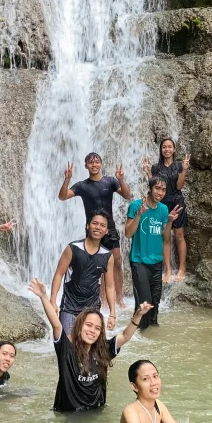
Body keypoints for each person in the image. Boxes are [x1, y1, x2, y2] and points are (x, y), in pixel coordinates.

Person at [27, 278, 152, 412]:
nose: (92, 331)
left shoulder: (103, 351)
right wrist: (44, 296)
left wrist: (138, 315)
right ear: (79, 327)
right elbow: (56, 325)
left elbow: (125, 336)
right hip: (69, 416)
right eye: (89, 325)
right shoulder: (67, 351)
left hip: (97, 413)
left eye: (97, 328)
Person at [58, 152, 132, 308]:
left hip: (109, 227)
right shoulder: (82, 186)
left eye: (97, 161)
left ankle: (119, 297)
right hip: (93, 228)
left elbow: (127, 195)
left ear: (101, 164)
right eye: (90, 162)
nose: (94, 164)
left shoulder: (110, 181)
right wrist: (67, 179)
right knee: (100, 263)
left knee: (116, 261)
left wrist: (121, 180)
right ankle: (103, 299)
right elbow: (63, 197)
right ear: (86, 165)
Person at [126, 177, 182, 329]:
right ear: (150, 188)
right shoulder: (136, 206)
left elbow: (165, 238)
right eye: (157, 188)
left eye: (163, 190)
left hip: (156, 262)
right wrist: (139, 214)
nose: (160, 192)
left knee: (155, 304)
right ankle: (139, 333)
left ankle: (151, 339)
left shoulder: (163, 209)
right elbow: (128, 234)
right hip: (139, 261)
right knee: (144, 302)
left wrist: (169, 221)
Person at [50, 210, 116, 335]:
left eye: (102, 225)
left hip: (92, 309)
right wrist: (53, 301)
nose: (98, 227)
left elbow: (110, 286)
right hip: (69, 307)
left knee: (89, 350)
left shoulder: (107, 256)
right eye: (95, 223)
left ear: (107, 231)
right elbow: (59, 274)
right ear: (87, 225)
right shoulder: (73, 248)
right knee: (67, 347)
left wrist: (113, 313)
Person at [118, 360, 206, 423]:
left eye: (155, 376)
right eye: (145, 379)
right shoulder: (131, 412)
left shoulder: (158, 405)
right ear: (134, 386)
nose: (153, 383)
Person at [142, 139, 190, 283]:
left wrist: (185, 169)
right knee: (165, 237)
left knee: (180, 236)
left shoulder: (180, 165)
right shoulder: (157, 167)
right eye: (164, 147)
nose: (167, 149)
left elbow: (179, 186)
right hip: (162, 204)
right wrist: (148, 172)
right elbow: (154, 186)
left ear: (174, 149)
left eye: (170, 147)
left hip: (177, 202)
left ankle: (182, 268)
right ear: (161, 150)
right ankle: (168, 270)